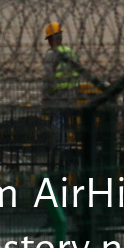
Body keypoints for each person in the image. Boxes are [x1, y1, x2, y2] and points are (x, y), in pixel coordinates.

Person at [43, 23, 81, 167]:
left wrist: (46, 96)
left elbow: (48, 78)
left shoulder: (51, 55)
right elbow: (77, 74)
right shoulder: (70, 52)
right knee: (67, 123)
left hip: (57, 96)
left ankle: (60, 149)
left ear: (52, 39)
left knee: (57, 123)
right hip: (71, 95)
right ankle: (68, 147)